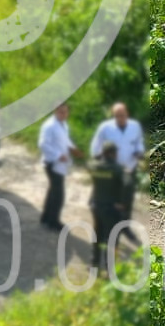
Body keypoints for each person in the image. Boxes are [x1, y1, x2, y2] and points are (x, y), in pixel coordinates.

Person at [89, 102, 144, 223]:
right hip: (111, 170)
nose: (120, 118)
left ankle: (125, 223)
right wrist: (99, 161)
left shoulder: (135, 126)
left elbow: (139, 144)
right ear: (113, 115)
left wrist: (139, 153)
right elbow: (96, 145)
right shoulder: (105, 127)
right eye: (117, 116)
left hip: (129, 168)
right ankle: (107, 222)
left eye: (122, 115)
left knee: (127, 196)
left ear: (127, 114)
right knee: (109, 197)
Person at [88, 141, 127, 277]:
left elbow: (91, 164)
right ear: (111, 153)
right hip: (111, 208)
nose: (117, 155)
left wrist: (99, 157)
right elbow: (124, 187)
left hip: (96, 206)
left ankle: (94, 264)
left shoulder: (94, 166)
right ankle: (109, 270)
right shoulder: (117, 169)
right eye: (115, 152)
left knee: (97, 236)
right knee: (111, 239)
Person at [38, 103, 79, 231]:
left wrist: (73, 148)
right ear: (55, 111)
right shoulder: (49, 126)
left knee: (53, 190)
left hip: (60, 164)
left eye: (65, 112)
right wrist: (58, 155)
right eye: (61, 112)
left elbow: (65, 140)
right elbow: (43, 144)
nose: (63, 114)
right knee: (59, 194)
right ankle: (53, 222)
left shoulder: (63, 124)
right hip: (52, 163)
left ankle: (45, 217)